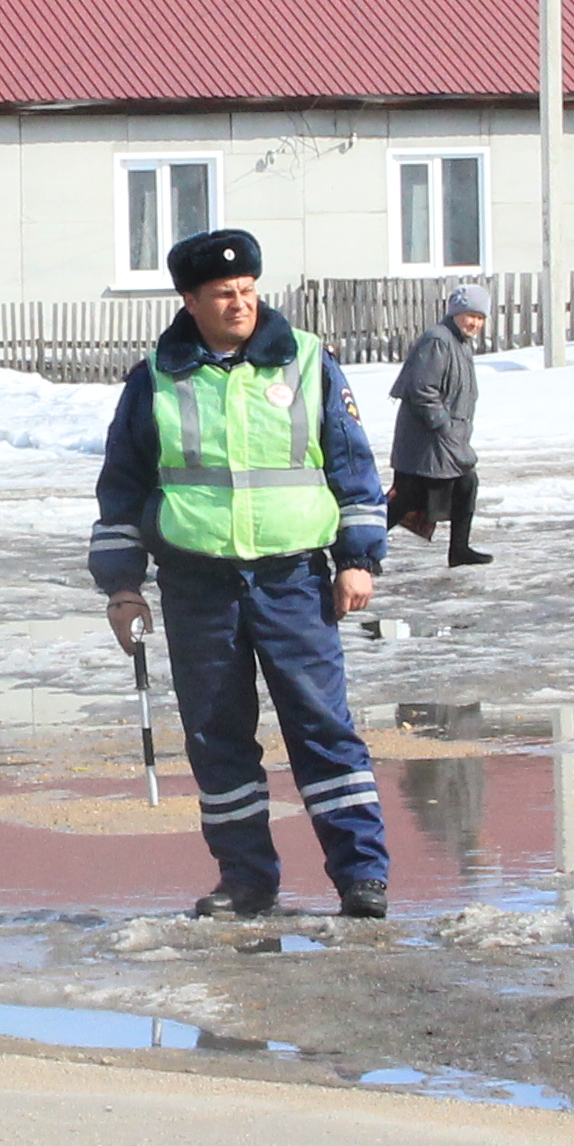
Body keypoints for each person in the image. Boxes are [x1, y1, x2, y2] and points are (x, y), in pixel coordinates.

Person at [94, 228, 394, 917]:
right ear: (190, 300)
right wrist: (121, 585)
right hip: (198, 585)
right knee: (217, 734)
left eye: (249, 290)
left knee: (322, 726)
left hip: (294, 580)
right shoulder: (155, 378)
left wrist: (356, 561)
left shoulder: (308, 362)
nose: (240, 303)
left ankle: (361, 875)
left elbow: (353, 468)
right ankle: (247, 879)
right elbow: (123, 487)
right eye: (224, 294)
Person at [385, 286, 495, 567]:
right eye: (470, 316)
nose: (475, 323)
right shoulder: (438, 341)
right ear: (456, 314)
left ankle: (460, 550)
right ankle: (359, 552)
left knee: (466, 484)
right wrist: (442, 424)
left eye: (480, 318)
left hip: (447, 439)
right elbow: (423, 391)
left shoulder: (458, 342)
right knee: (406, 498)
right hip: (426, 440)